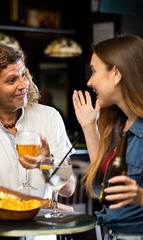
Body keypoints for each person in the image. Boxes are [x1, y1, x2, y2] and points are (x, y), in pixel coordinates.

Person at [0, 43, 76, 203]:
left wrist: (47, 163)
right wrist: (43, 205)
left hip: (42, 226)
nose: (23, 84)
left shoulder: (49, 116)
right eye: (11, 80)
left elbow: (68, 189)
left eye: (23, 75)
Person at [72, 35, 143, 238]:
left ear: (116, 74)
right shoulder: (122, 126)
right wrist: (88, 127)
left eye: (93, 71)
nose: (89, 81)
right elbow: (104, 190)